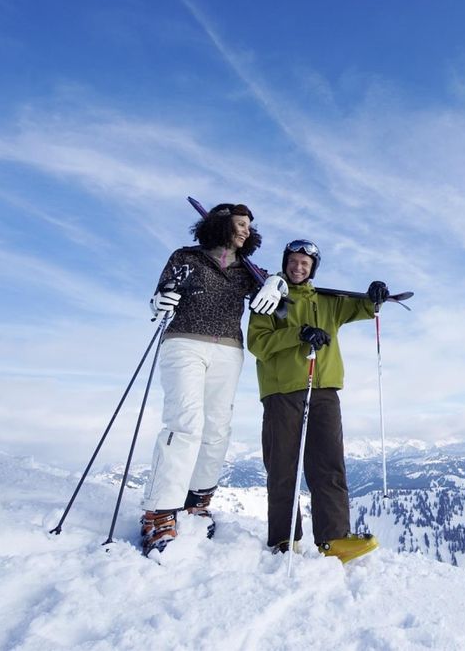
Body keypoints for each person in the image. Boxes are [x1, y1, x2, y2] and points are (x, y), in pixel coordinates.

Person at [140, 203, 288, 556]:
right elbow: (160, 297)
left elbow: (282, 289)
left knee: (218, 427)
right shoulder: (186, 257)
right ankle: (159, 512)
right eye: (239, 224)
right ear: (219, 225)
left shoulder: (247, 270)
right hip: (184, 342)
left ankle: (198, 500)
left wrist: (276, 283)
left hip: (229, 350)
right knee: (185, 423)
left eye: (249, 226)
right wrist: (159, 301)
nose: (246, 230)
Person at [246, 238, 389, 563]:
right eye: (293, 261)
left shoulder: (328, 302)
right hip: (282, 392)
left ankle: (334, 539)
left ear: (312, 268)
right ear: (285, 263)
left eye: (305, 263)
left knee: (328, 466)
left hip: (324, 390)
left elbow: (364, 306)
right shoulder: (268, 299)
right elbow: (258, 343)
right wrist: (298, 333)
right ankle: (284, 539)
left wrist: (375, 294)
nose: (298, 267)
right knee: (283, 466)